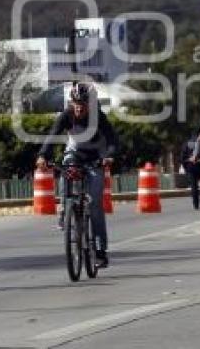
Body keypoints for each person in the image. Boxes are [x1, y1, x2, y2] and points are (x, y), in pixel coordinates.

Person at [36, 82, 118, 268]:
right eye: (75, 103)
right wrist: (43, 155)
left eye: (83, 104)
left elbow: (112, 140)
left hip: (96, 158)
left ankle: (100, 251)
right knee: (66, 168)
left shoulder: (99, 118)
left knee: (95, 204)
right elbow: (52, 136)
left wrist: (109, 156)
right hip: (74, 154)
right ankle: (65, 208)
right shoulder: (66, 115)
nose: (79, 107)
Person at [181, 135, 200, 210]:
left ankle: (196, 205)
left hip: (191, 168)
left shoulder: (186, 144)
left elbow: (182, 158)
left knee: (194, 187)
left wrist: (186, 168)